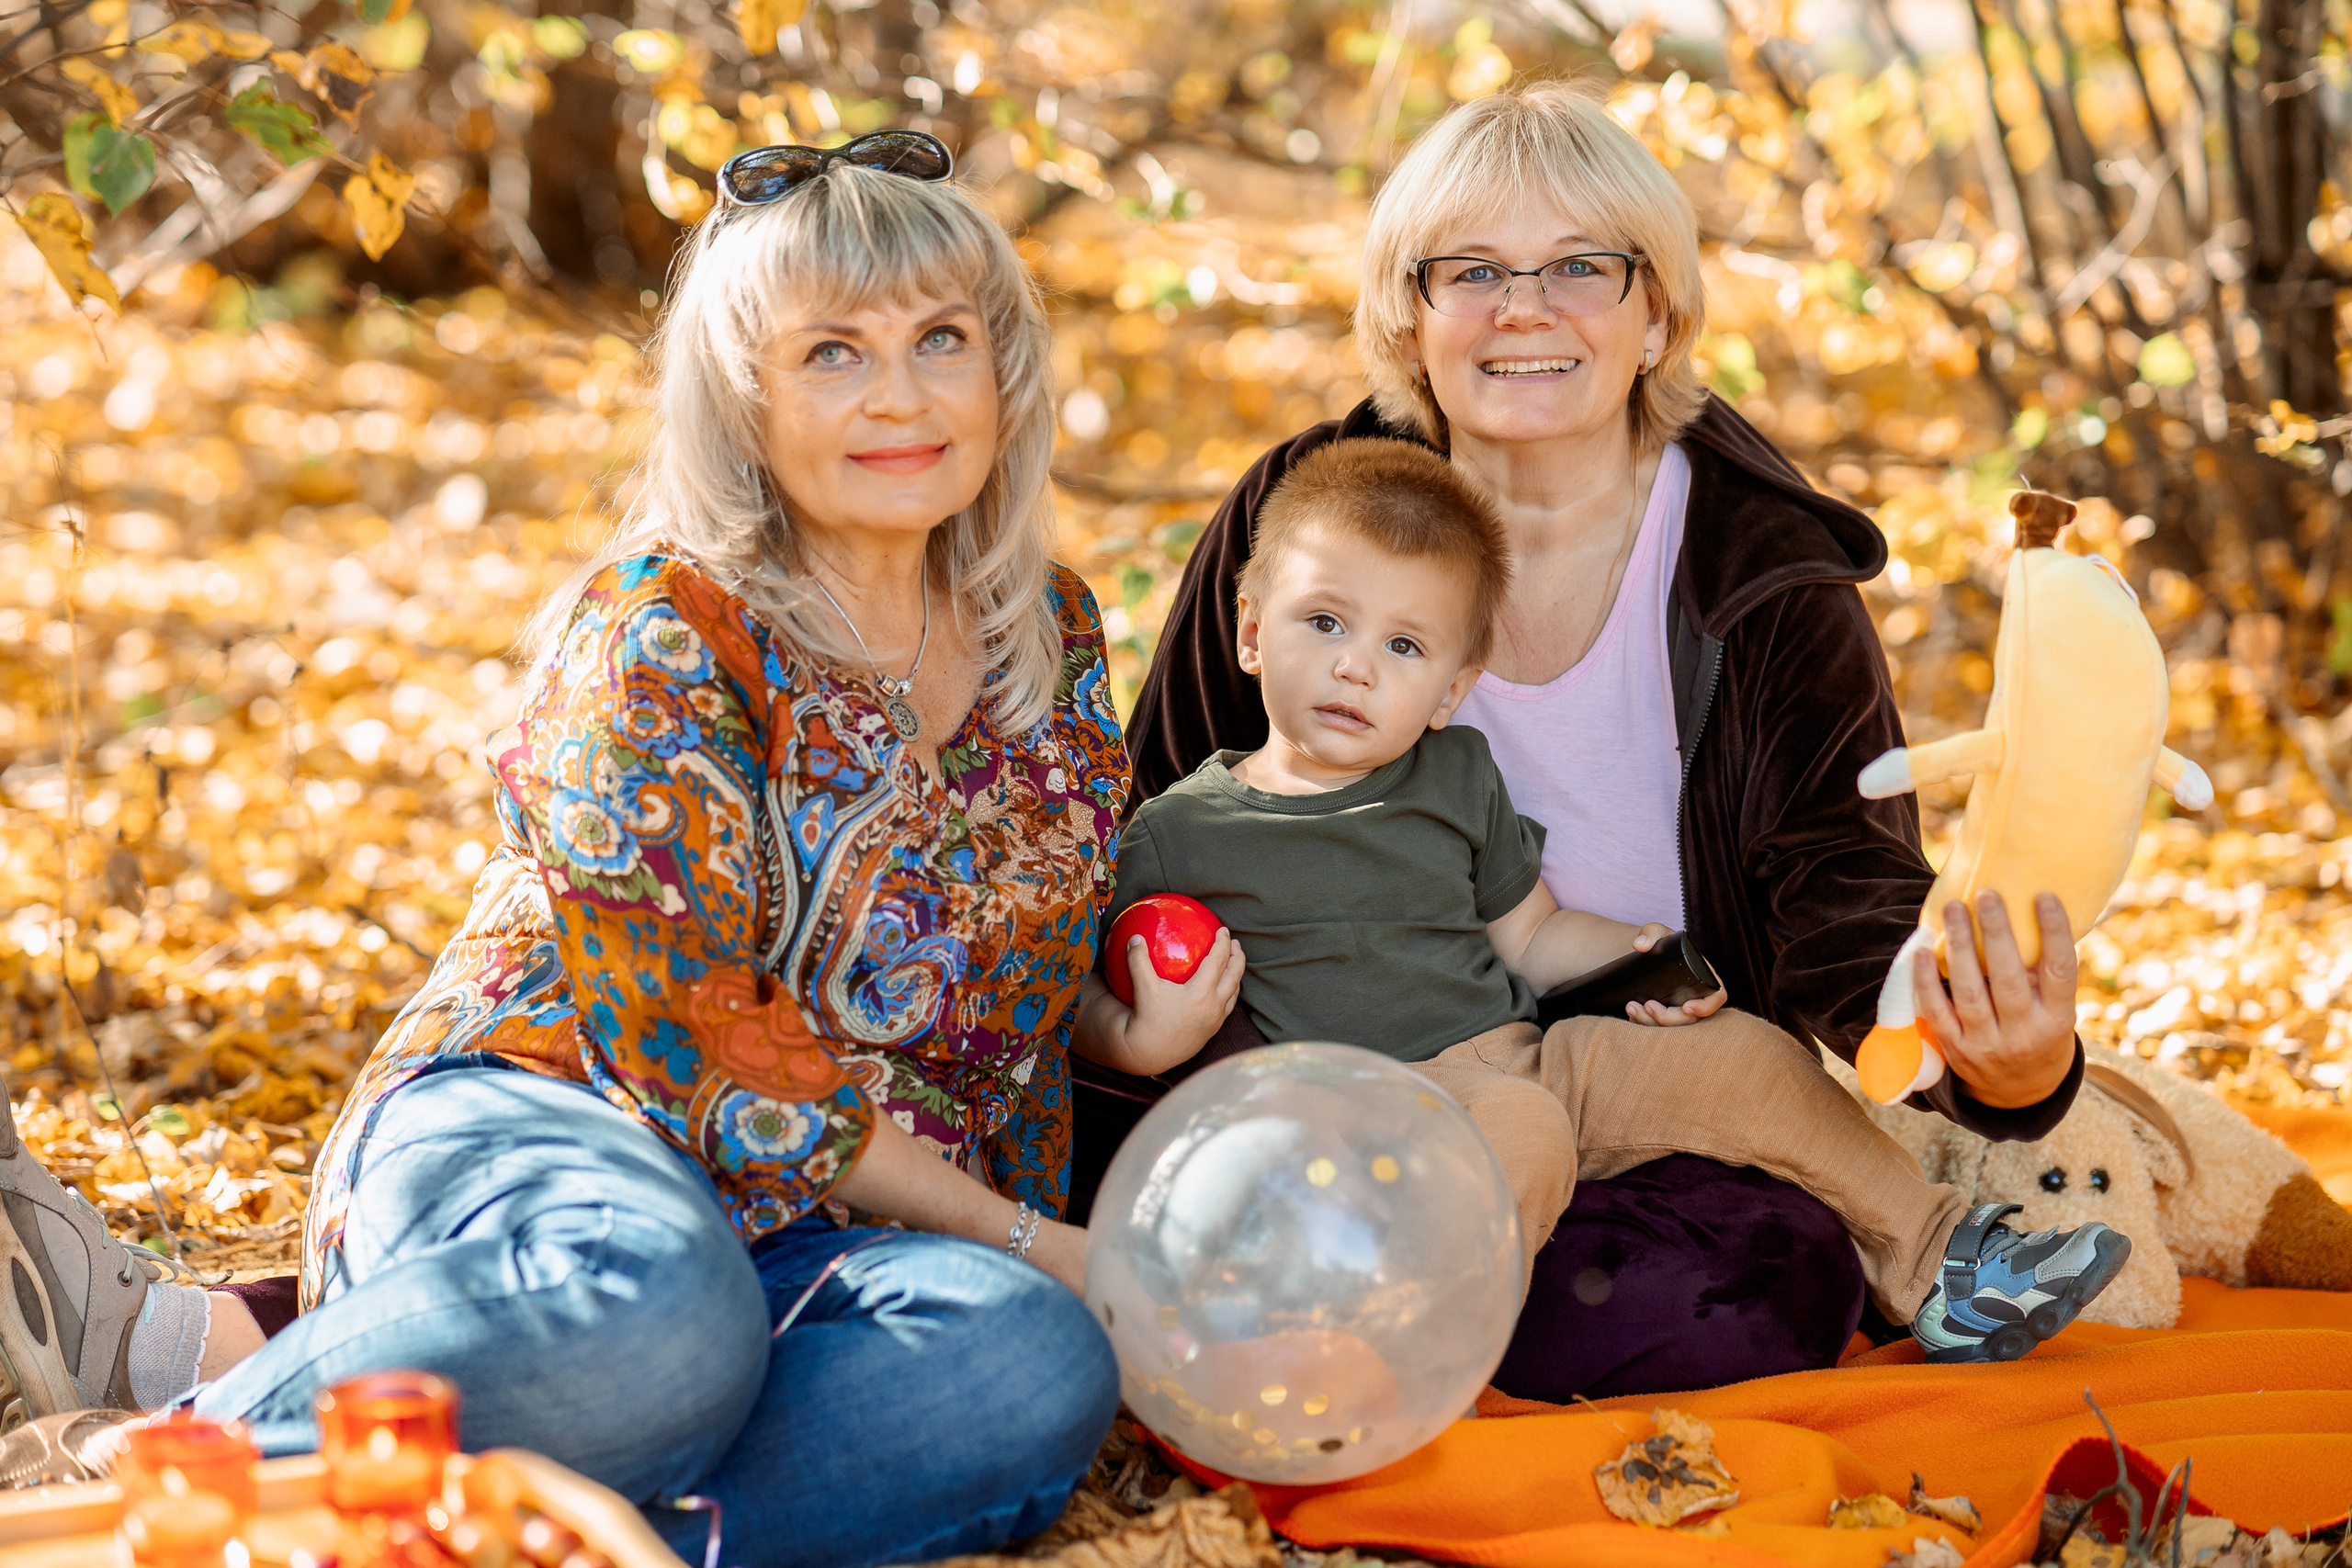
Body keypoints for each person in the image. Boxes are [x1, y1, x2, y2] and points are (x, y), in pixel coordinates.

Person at [0, 132, 1126, 1568]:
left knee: (1024, 1361)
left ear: (1002, 372)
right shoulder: (670, 621)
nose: (900, 393)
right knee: (660, 1302)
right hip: (554, 1136)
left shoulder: (1058, 635)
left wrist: (1122, 1020)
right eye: (833, 353)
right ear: (747, 398)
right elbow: (686, 1028)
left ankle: (534, 1530)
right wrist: (1020, 1231)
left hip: (831, 1229)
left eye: (940, 339)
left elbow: (998, 980)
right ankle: (163, 1482)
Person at [1099, 81, 2090, 1399]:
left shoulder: (1765, 570)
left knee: (1758, 1276)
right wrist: (1170, 1059)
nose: (1524, 308)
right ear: (1410, 311)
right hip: (1321, 1086)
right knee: (1571, 1253)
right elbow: (1155, 836)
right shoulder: (1311, 522)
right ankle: (1340, 1322)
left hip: (1610, 1075)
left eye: (1581, 266)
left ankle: (1946, 1257)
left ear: (1656, 312)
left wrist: (1994, 1062)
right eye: (1473, 271)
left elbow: (1839, 892)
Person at [1077, 436, 2128, 1362]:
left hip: (1522, 1050)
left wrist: (1647, 949)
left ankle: (1944, 1262)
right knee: (1525, 1135)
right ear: (1252, 633)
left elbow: (1529, 932)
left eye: (1403, 647)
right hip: (1374, 1114)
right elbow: (1072, 986)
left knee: (1745, 1061)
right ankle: (1375, 1338)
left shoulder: (1453, 777)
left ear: (1448, 689)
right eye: (1324, 624)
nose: (1356, 668)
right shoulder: (1181, 829)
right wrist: (1131, 1038)